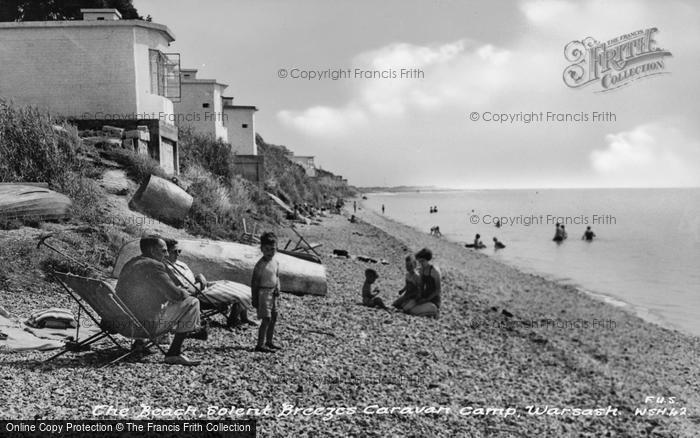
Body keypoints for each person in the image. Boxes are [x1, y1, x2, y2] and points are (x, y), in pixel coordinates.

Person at [115, 236, 204, 366]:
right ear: (152, 250)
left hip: (120, 321)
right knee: (192, 302)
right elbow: (177, 295)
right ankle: (174, 353)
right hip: (143, 326)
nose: (167, 254)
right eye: (163, 251)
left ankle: (139, 343)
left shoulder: (131, 262)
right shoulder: (154, 266)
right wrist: (195, 288)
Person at [164, 239, 254, 329]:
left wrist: (199, 278)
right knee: (240, 296)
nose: (178, 254)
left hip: (203, 285)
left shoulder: (179, 263)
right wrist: (201, 282)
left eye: (179, 251)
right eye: (174, 252)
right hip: (199, 294)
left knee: (243, 288)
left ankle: (244, 317)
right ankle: (232, 320)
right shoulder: (168, 269)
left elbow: (191, 278)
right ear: (166, 252)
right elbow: (188, 290)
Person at [251, 232, 282, 353]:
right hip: (263, 293)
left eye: (273, 249)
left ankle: (269, 341)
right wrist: (254, 298)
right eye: (267, 249)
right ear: (262, 249)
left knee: (274, 317)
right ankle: (260, 344)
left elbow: (277, 276)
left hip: (272, 292)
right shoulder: (260, 265)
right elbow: (254, 282)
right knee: (266, 319)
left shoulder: (275, 262)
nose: (270, 252)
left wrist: (278, 286)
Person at [403, 248, 440, 318]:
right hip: (424, 297)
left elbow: (437, 290)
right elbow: (421, 286)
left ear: (427, 260)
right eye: (419, 262)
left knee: (412, 311)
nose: (421, 263)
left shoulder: (434, 271)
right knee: (405, 308)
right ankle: (426, 310)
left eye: (422, 261)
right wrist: (419, 297)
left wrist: (426, 299)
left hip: (433, 300)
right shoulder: (422, 269)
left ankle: (434, 311)